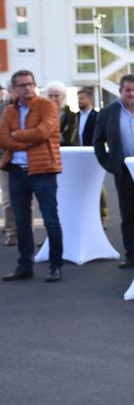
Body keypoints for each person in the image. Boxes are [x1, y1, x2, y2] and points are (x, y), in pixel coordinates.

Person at [0, 70, 63, 283]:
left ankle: (55, 266)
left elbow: (44, 132)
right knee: (21, 222)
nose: (27, 88)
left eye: (30, 84)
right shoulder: (9, 111)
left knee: (50, 220)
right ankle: (24, 265)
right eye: (22, 85)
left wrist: (17, 135)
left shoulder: (48, 106)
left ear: (35, 85)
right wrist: (26, 140)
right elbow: (3, 139)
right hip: (17, 171)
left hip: (43, 170)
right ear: (15, 89)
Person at [93, 74, 134, 269]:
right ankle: (133, 255)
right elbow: (97, 142)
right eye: (127, 90)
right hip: (124, 172)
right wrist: (110, 165)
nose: (131, 94)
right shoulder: (108, 113)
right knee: (128, 216)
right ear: (120, 92)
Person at [76, 87, 108, 225]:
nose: (79, 101)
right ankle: (85, 217)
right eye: (78, 99)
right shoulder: (75, 116)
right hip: (77, 156)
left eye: (82, 98)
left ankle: (103, 216)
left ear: (90, 99)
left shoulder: (98, 116)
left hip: (94, 155)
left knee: (98, 186)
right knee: (81, 186)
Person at [0, 84, 16, 246]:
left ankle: (27, 230)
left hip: (26, 158)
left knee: (27, 199)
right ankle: (11, 232)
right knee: (8, 198)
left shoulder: (32, 107)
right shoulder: (2, 109)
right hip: (5, 158)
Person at [46, 81, 77, 146]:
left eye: (56, 96)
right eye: (50, 96)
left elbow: (69, 137)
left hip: (65, 151)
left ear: (63, 97)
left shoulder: (71, 115)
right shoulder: (42, 114)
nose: (53, 98)